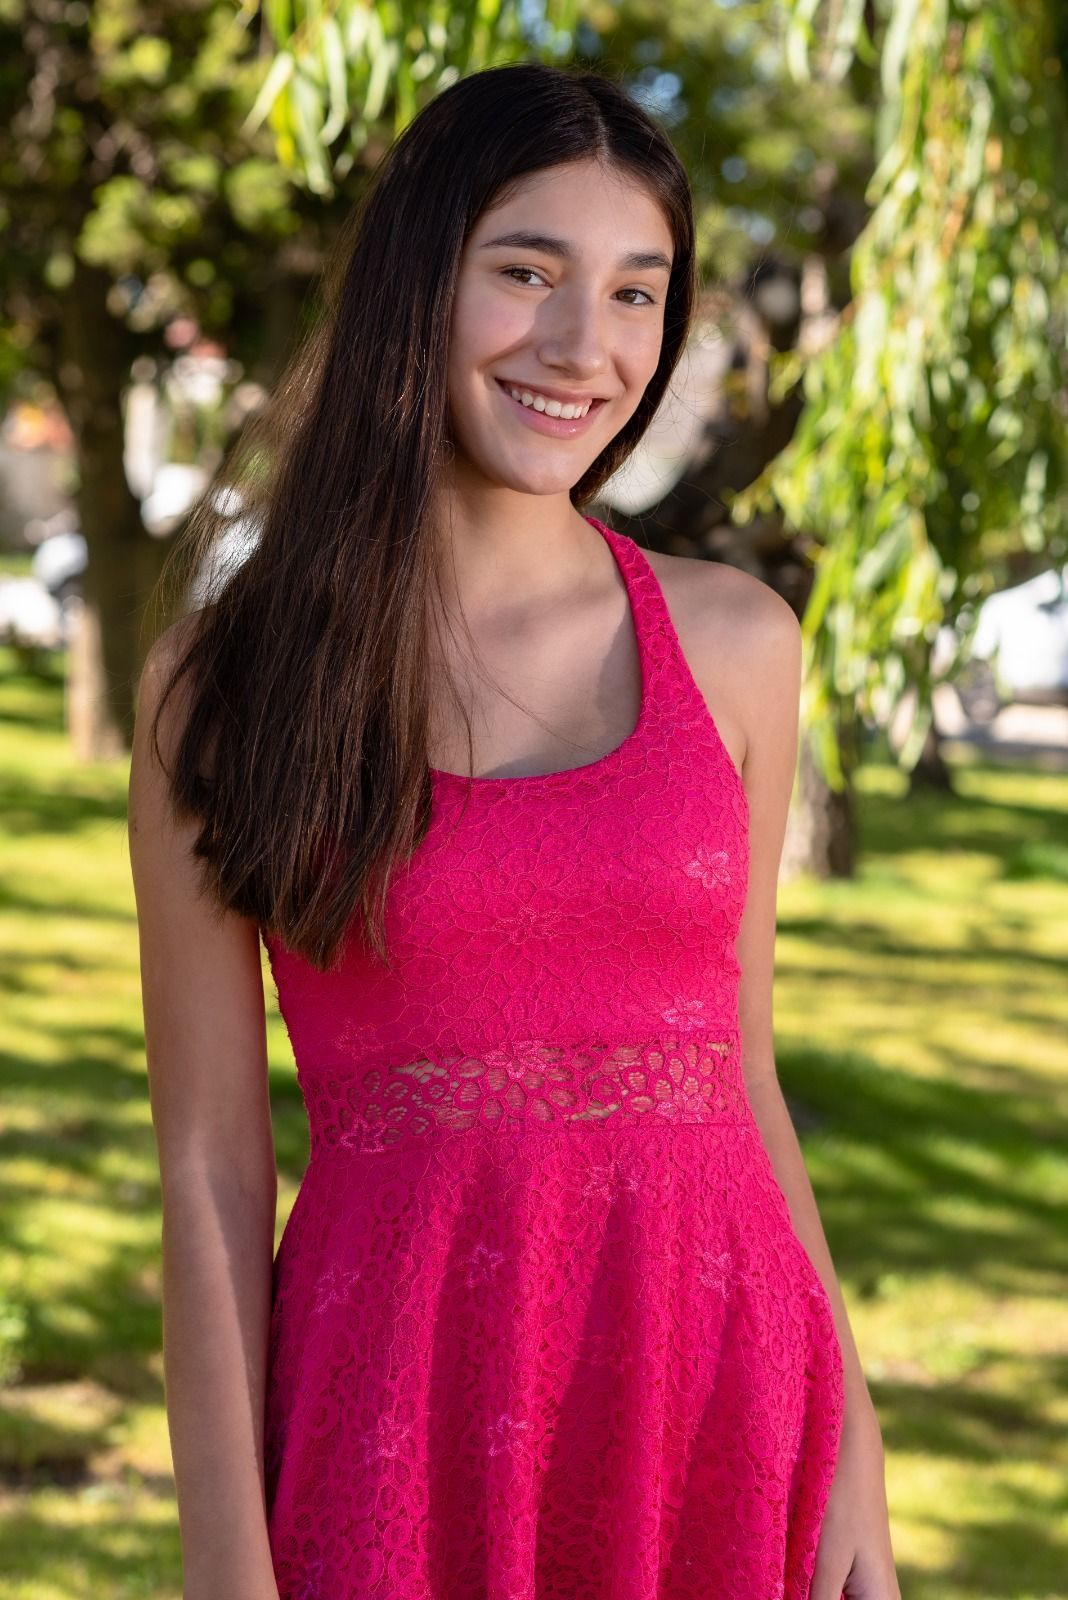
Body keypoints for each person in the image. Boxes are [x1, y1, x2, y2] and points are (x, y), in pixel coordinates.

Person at [128, 60, 900, 1600]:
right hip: (394, 1423)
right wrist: (227, 1561)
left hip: (719, 1409)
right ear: (421, 278)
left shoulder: (738, 643)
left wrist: (856, 1452)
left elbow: (738, 1075)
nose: (583, 346)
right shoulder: (224, 692)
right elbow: (213, 1166)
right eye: (527, 272)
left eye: (635, 292)